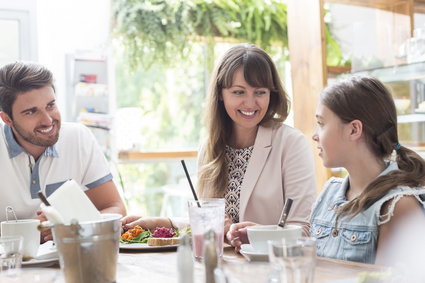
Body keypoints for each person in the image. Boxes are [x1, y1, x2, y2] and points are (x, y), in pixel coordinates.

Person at [121, 44, 317, 238]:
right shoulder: (209, 147)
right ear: (221, 94)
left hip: (271, 266)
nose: (250, 103)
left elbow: (303, 229)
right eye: (238, 92)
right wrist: (162, 223)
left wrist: (251, 234)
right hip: (219, 265)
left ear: (271, 94)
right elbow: (207, 222)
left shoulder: (291, 144)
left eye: (260, 92)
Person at [0, 62, 126, 241]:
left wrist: (72, 228)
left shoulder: (78, 137)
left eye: (50, 105)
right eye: (31, 112)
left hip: (67, 260)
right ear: (7, 119)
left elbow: (115, 208)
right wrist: (30, 229)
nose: (47, 120)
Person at [309, 75, 425, 264]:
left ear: (354, 129)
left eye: (321, 123)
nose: (315, 135)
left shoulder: (398, 206)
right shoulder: (329, 192)